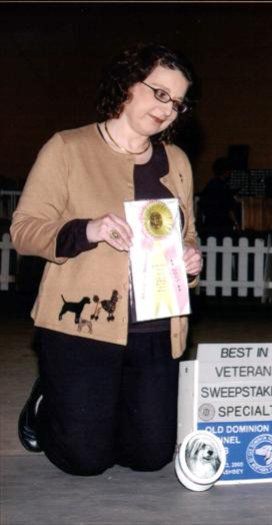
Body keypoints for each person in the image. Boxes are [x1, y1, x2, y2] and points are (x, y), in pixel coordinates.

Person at [11, 43, 202, 476]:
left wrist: (191, 257)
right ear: (127, 85)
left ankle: (93, 406)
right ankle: (47, 401)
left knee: (151, 456)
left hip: (156, 326)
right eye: (159, 93)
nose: (168, 109)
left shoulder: (177, 161)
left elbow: (186, 232)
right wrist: (87, 230)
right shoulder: (67, 148)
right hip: (83, 325)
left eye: (177, 102)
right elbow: (23, 231)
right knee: (84, 461)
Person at [197, 157, 241, 236]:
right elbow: (229, 208)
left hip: (209, 225)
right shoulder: (224, 188)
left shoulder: (210, 185)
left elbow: (201, 205)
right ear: (225, 171)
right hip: (223, 226)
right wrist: (236, 224)